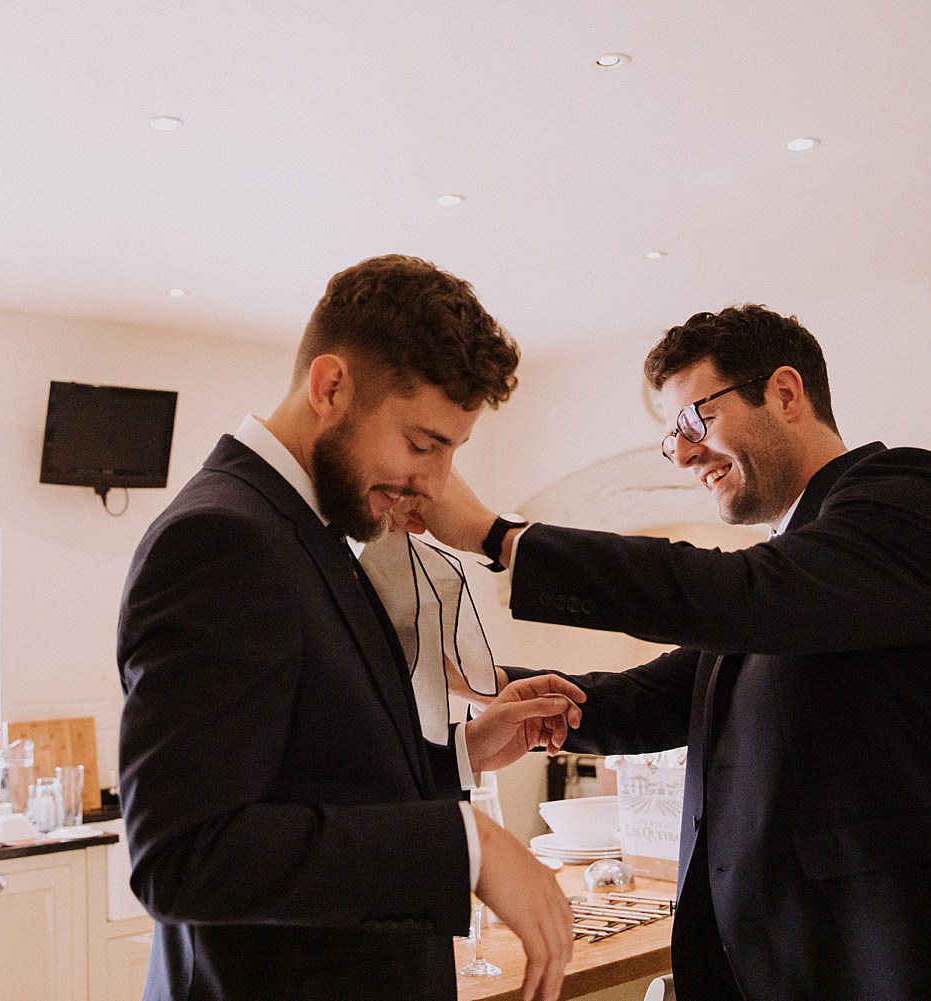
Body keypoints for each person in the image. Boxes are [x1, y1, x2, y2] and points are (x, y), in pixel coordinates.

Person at [408, 304, 931, 1000]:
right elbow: (663, 693)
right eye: (673, 439)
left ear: (785, 393)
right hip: (782, 962)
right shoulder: (787, 571)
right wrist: (483, 681)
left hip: (903, 956)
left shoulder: (909, 497)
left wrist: (496, 535)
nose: (685, 453)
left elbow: (740, 594)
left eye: (696, 421)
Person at [116, 254, 583, 1001]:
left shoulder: (303, 529)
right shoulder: (222, 539)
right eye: (423, 444)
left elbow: (306, 771)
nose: (435, 483)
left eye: (452, 451)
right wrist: (466, 844)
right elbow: (185, 853)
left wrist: (458, 758)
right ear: (330, 386)